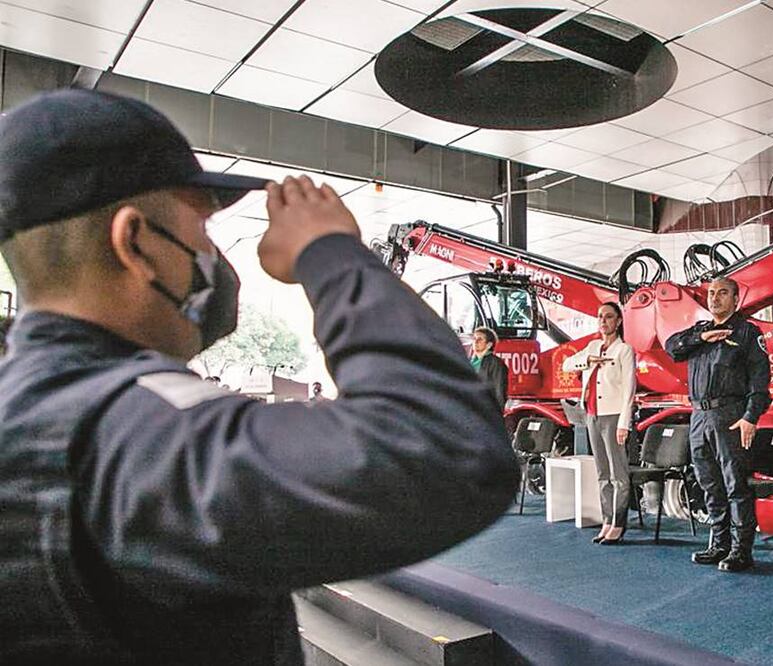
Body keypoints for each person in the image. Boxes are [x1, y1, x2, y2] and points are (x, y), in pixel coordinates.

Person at [0, 89, 519, 664]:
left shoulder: (30, 410)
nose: (213, 254)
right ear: (135, 242)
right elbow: (444, 447)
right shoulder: (126, 430)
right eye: (200, 225)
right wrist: (330, 253)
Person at [664, 278, 770, 572]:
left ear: (736, 299)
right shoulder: (700, 331)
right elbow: (671, 347)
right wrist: (702, 339)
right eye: (711, 293)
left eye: (722, 293)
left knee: (736, 485)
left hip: (730, 416)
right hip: (698, 416)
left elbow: (760, 383)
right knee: (709, 485)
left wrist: (750, 417)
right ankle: (719, 543)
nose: (715, 298)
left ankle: (740, 550)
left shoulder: (748, 333)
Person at [562, 302, 636, 544]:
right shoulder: (593, 346)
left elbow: (629, 391)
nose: (603, 321)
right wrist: (589, 361)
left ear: (618, 321)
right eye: (600, 317)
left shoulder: (624, 350)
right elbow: (567, 363)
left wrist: (624, 423)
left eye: (609, 317)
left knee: (618, 474)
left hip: (614, 416)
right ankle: (606, 519)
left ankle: (618, 522)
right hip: (592, 414)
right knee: (602, 472)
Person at [471, 326, 508, 408]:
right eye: (474, 338)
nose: (476, 341)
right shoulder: (470, 361)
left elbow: (499, 391)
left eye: (480, 339)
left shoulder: (496, 363)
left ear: (489, 345)